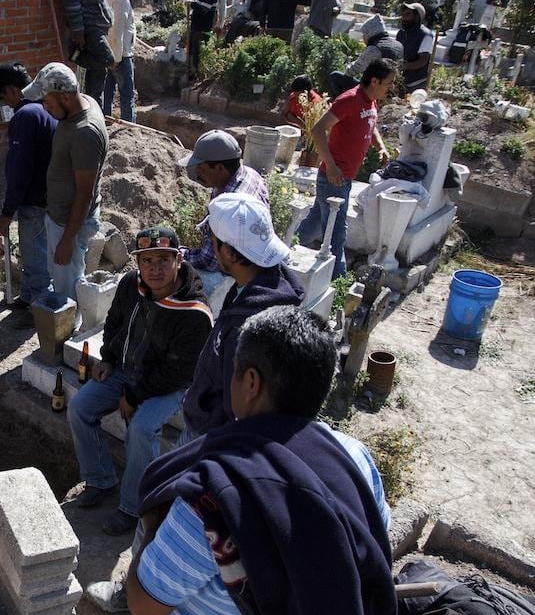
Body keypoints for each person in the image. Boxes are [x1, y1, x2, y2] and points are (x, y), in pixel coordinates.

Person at [127, 305, 395, 615]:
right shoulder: (354, 457)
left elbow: (143, 604)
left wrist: (151, 527)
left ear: (251, 383)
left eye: (235, 370)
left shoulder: (210, 498)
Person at [69, 226, 212, 536]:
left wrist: (134, 395)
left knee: (142, 428)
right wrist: (107, 358)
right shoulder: (131, 285)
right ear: (137, 263)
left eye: (163, 260)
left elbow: (179, 372)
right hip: (124, 369)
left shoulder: (194, 312)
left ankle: (134, 506)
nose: (155, 269)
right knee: (80, 407)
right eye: (146, 261)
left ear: (178, 260)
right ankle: (100, 479)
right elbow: (115, 322)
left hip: (170, 384)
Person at [180, 192, 304, 442]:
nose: (211, 248)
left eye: (212, 240)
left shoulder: (244, 329)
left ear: (230, 253)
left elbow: (237, 407)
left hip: (209, 435)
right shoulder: (270, 283)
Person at [295, 59, 397, 276]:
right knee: (337, 232)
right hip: (334, 177)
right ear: (375, 80)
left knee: (315, 221)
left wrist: (380, 147)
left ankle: (285, 252)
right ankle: (337, 281)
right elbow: (318, 129)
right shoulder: (350, 99)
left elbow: (372, 125)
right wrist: (330, 165)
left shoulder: (371, 102)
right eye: (388, 83)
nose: (391, 88)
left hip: (345, 176)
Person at [22, 63, 108, 320]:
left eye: (47, 102)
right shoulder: (82, 105)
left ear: (66, 96)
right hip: (61, 218)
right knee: (62, 280)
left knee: (68, 287)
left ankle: (70, 340)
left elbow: (85, 192)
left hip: (70, 223)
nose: (45, 108)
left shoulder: (85, 133)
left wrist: (67, 240)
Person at [176, 130, 270, 306]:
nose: (197, 173)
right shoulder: (248, 173)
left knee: (183, 285)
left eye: (201, 168)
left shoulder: (230, 204)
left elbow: (209, 260)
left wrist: (177, 254)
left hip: (239, 267)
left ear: (219, 168)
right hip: (253, 256)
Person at [0, 64, 56, 317]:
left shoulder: (26, 115)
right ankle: (28, 297)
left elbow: (20, 169)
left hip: (35, 200)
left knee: (37, 259)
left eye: (4, 97)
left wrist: (7, 212)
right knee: (32, 254)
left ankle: (40, 315)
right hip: (48, 197)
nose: (6, 103)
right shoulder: (44, 110)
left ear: (11, 90)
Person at [329, 14, 403, 94]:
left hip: (375, 90)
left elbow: (353, 71)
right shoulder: (398, 45)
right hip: (393, 88)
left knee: (335, 76)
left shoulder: (374, 49)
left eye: (364, 35)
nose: (363, 39)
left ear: (369, 34)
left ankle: (340, 104)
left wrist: (347, 66)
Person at [105, 0, 141, 123]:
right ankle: (129, 128)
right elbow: (117, 30)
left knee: (107, 91)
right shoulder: (123, 0)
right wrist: (117, 59)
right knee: (127, 95)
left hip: (109, 52)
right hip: (121, 55)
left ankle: (104, 119)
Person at [185, 0, 219, 79]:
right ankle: (190, 74)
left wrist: (192, 4)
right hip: (196, 27)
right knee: (191, 53)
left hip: (202, 29)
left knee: (197, 55)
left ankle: (196, 77)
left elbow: (204, 9)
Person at [397, 2, 435, 93]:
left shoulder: (425, 35)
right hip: (399, 79)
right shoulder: (401, 33)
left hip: (415, 83)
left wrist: (404, 66)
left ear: (417, 16)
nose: (404, 18)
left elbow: (423, 61)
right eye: (403, 15)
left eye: (408, 14)